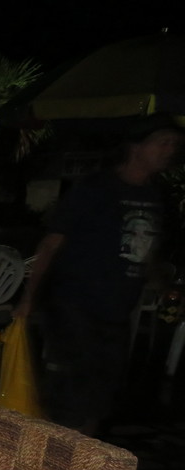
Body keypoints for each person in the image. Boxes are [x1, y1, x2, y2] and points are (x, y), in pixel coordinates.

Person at [15, 112, 184, 435]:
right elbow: (50, 244)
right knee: (69, 396)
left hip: (117, 312)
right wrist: (28, 299)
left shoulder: (153, 195)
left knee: (100, 396)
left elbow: (146, 252)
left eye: (174, 144)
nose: (170, 150)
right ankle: (50, 457)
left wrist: (164, 286)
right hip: (75, 306)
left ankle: (83, 461)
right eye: (163, 142)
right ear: (136, 146)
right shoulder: (96, 188)